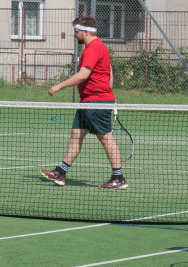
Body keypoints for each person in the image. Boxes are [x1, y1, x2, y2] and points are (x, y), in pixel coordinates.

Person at [42, 14, 127, 190]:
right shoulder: (99, 47)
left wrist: (59, 86)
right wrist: (110, 93)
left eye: (77, 31)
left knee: (106, 139)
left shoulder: (93, 48)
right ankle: (61, 172)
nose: (75, 34)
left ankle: (118, 177)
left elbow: (83, 75)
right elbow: (109, 73)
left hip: (96, 102)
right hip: (89, 101)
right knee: (76, 133)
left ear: (86, 32)